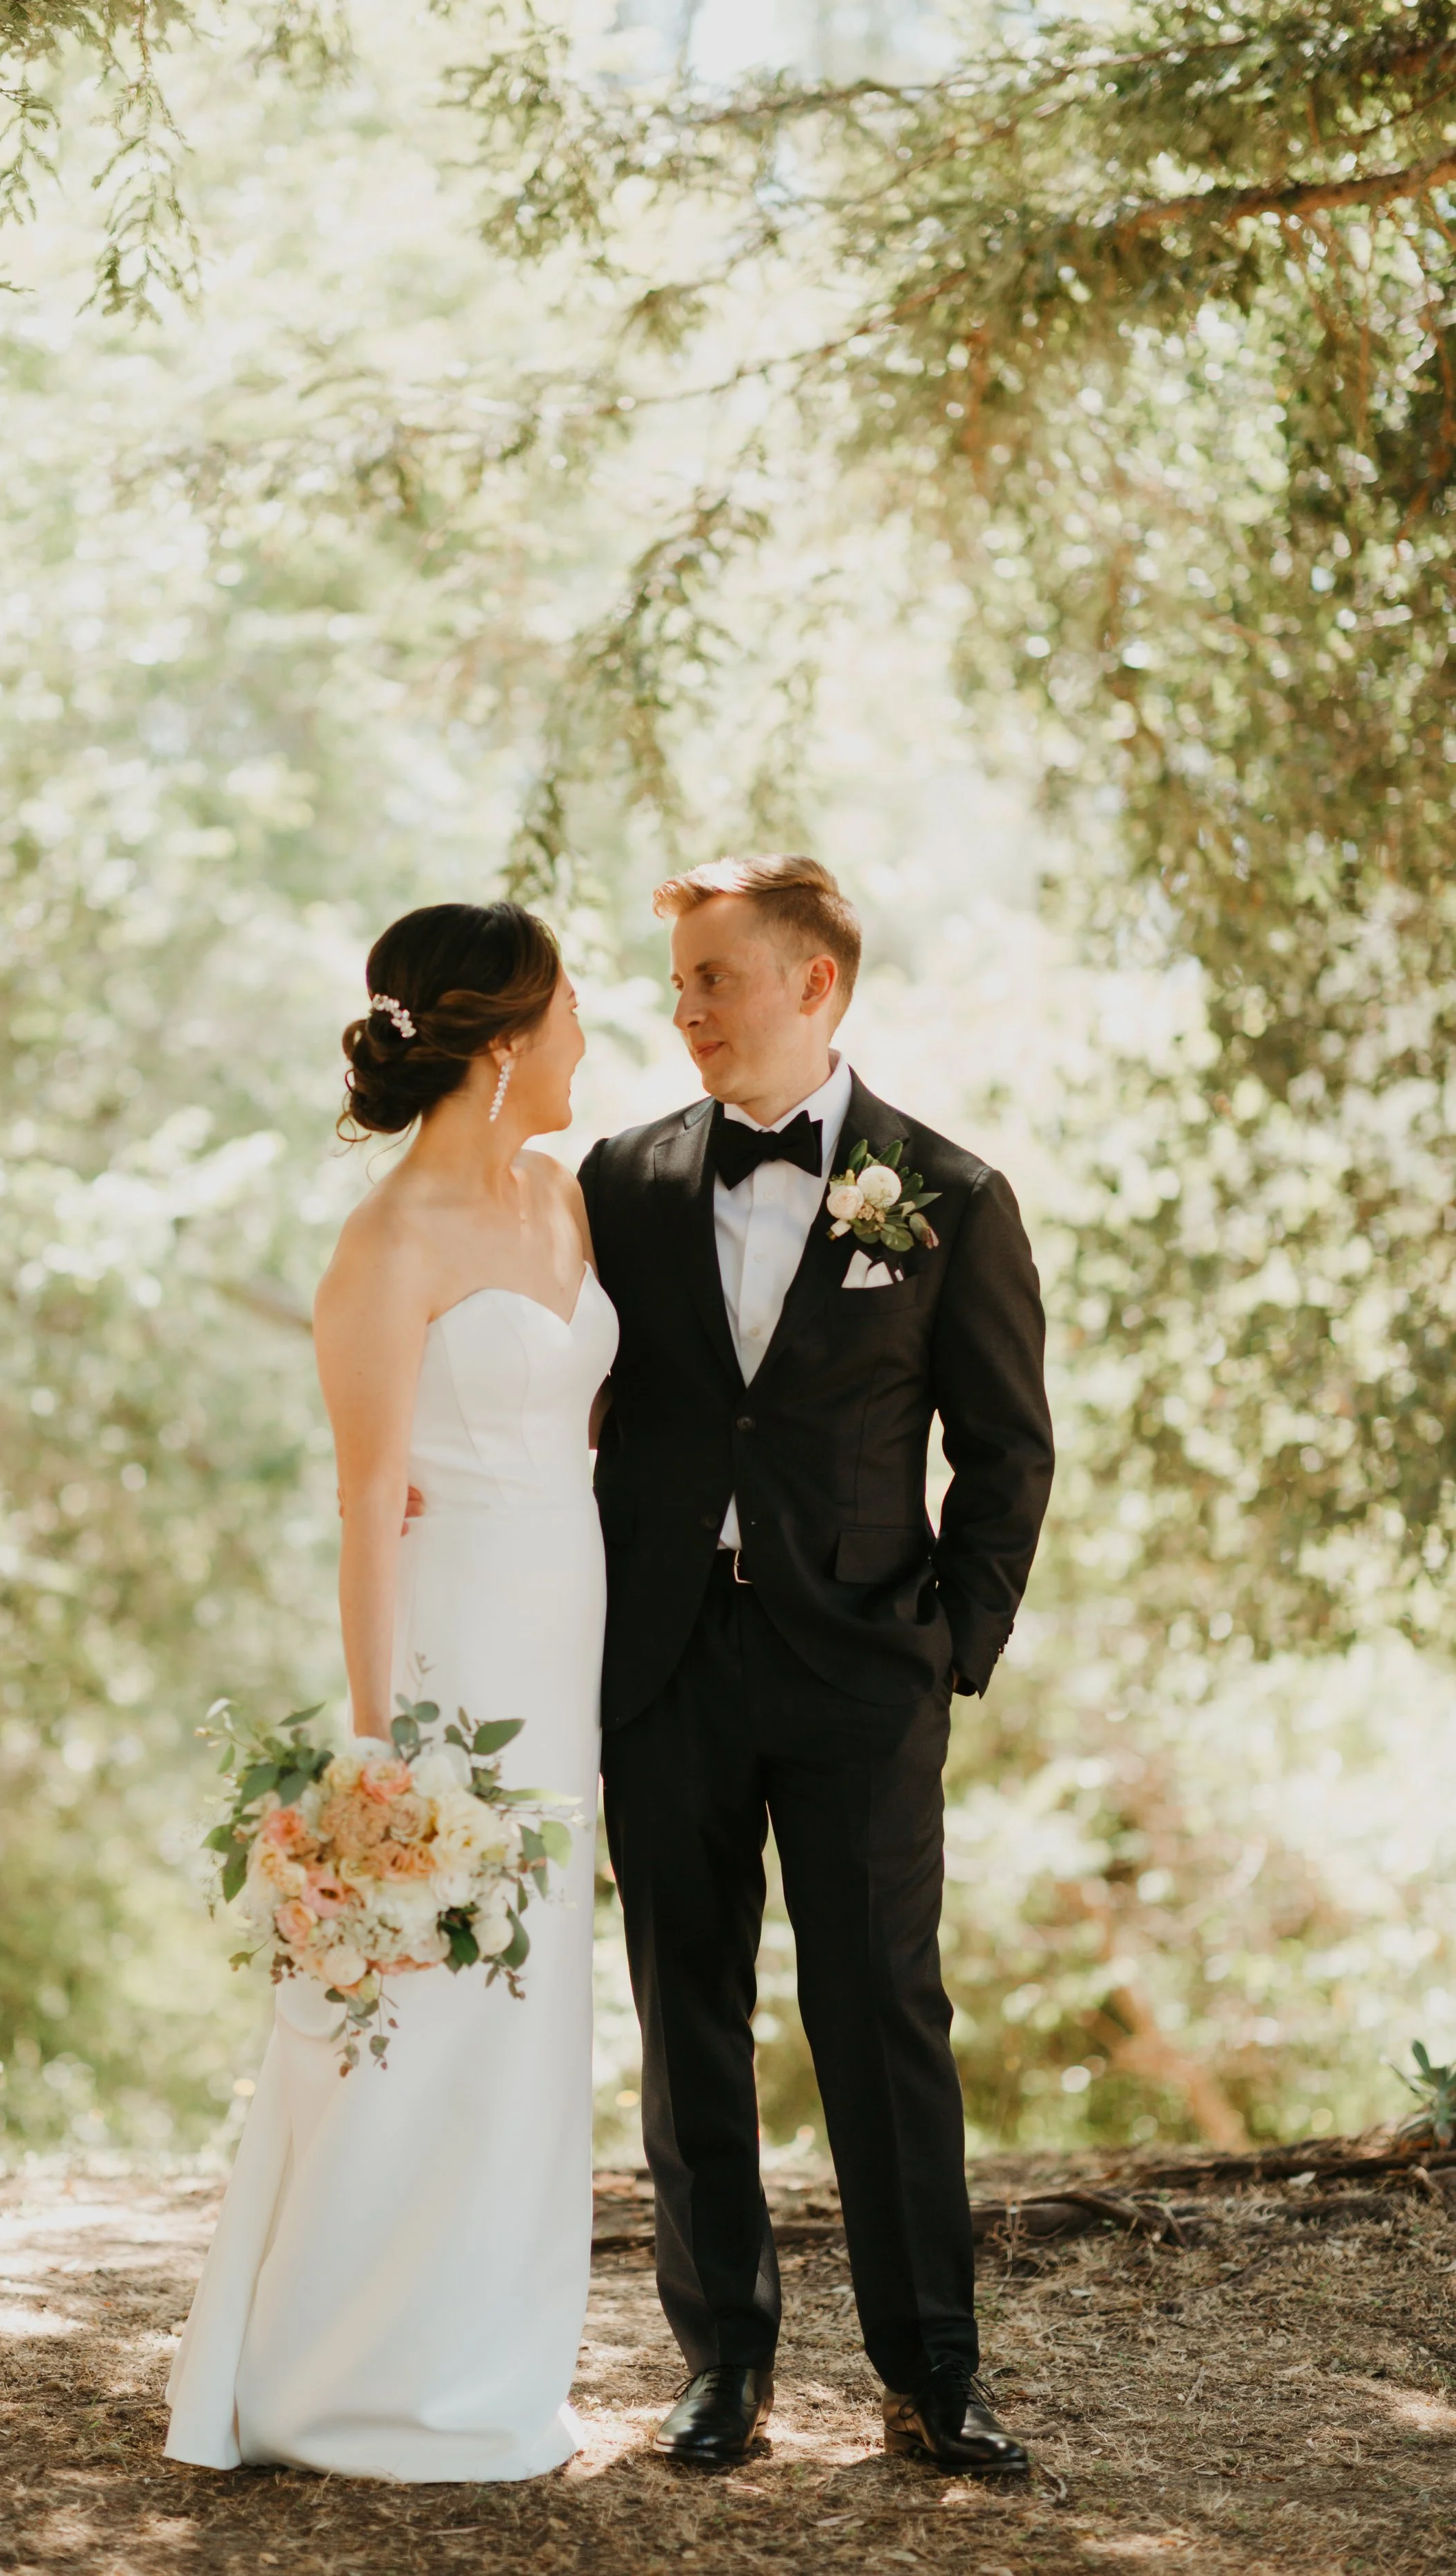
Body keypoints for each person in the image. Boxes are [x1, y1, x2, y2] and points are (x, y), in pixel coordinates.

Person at [582, 854, 1054, 2474]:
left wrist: (944, 1653)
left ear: (814, 986)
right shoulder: (618, 1185)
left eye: (714, 976)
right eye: (679, 981)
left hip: (859, 1672)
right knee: (685, 2015)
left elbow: (1006, 1454)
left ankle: (932, 2371)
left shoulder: (952, 1196)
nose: (683, 1007)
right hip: (661, 1662)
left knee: (878, 2017)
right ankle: (723, 2365)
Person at [164, 901, 615, 2481]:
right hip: (451, 1669)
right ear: (501, 1045)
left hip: (571, 1652)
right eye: (568, 1015)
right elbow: (367, 1509)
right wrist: (378, 1756)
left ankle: (491, 2353)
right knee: (422, 1997)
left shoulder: (561, 1198)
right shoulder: (383, 1247)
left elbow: (593, 1423)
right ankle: (341, 2375)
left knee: (533, 2004)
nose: (586, 1042)